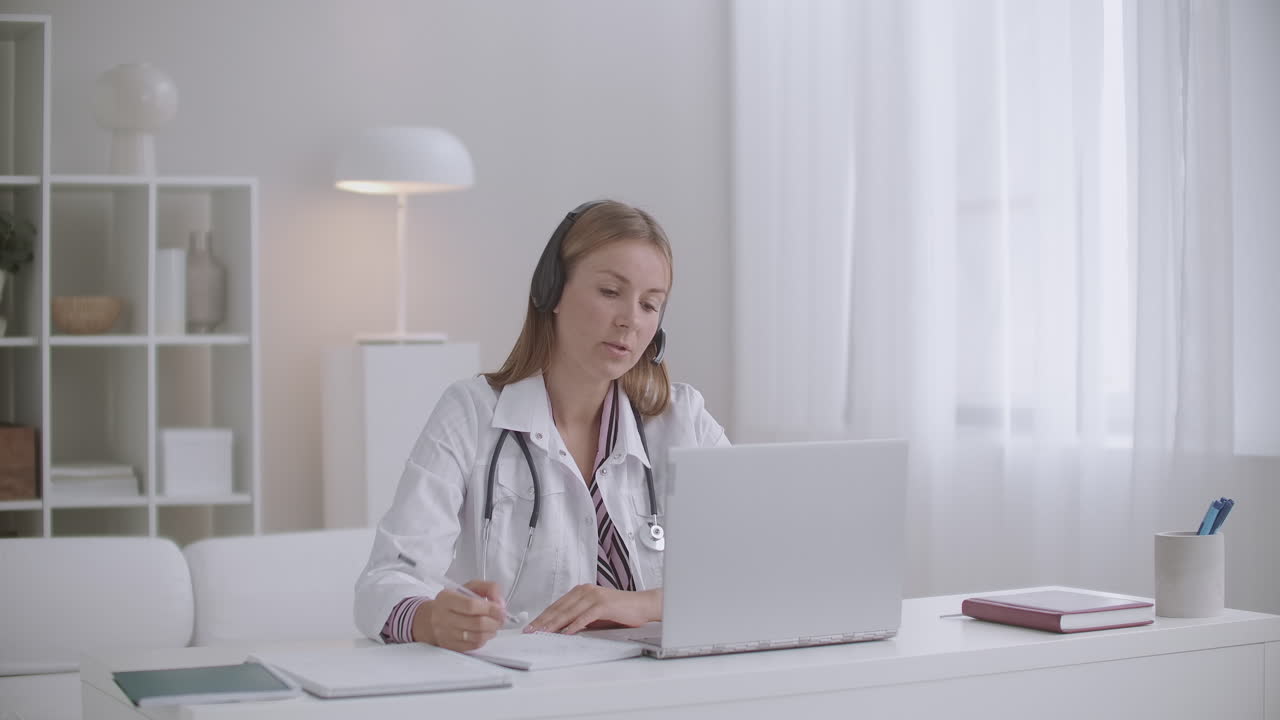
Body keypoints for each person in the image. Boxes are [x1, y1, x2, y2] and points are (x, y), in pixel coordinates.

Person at [353, 199, 729, 651]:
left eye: (650, 305)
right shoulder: (471, 413)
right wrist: (432, 619)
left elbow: (762, 566)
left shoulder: (684, 420)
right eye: (610, 292)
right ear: (551, 292)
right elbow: (385, 580)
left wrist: (644, 604)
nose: (630, 319)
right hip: (524, 681)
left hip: (661, 681)